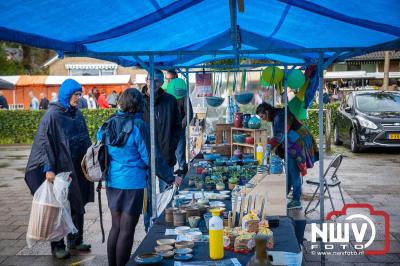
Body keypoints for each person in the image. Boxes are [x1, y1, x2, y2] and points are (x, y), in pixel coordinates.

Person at [96, 88, 179, 266]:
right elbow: (151, 158)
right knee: (127, 229)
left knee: (116, 227)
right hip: (133, 183)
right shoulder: (139, 125)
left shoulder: (108, 122)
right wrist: (171, 178)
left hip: (112, 182)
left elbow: (100, 143)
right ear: (138, 105)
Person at [25, 79, 94, 259]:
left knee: (77, 203)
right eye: (76, 95)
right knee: (58, 207)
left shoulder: (77, 114)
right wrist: (49, 169)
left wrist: (90, 159)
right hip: (59, 169)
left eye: (80, 94)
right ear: (66, 94)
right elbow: (45, 144)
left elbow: (83, 137)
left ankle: (75, 239)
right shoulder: (52, 115)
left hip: (76, 167)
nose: (79, 98)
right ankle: (57, 245)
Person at [256, 102, 318, 210]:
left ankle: (296, 200)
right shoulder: (277, 115)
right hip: (294, 141)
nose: (263, 119)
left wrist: (267, 146)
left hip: (296, 144)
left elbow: (279, 137)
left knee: (293, 171)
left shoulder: (279, 117)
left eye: (262, 116)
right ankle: (285, 194)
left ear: (267, 112)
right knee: (290, 171)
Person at [141, 70, 182, 231]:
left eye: (158, 81)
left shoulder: (170, 100)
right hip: (145, 160)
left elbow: (177, 127)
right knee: (148, 199)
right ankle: (148, 228)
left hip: (166, 157)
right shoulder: (139, 101)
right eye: (151, 80)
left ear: (162, 82)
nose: (154, 84)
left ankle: (164, 227)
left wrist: (171, 147)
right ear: (146, 80)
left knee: (167, 195)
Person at [164, 69, 193, 175]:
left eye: (171, 79)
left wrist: (181, 125)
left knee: (180, 153)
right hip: (166, 130)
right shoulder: (164, 93)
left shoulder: (183, 95)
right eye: (167, 79)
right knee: (167, 155)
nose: (169, 82)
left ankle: (182, 171)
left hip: (178, 129)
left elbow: (189, 113)